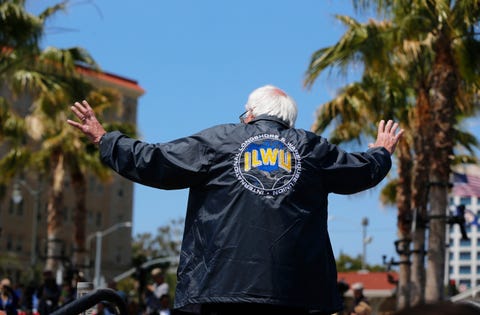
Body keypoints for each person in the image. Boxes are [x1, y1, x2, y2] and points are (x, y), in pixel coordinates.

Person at [67, 85, 403, 315]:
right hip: (295, 296)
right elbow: (359, 170)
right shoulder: (311, 149)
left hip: (220, 290)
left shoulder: (221, 140)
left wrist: (105, 139)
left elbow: (156, 162)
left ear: (250, 113)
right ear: (289, 121)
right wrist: (382, 152)